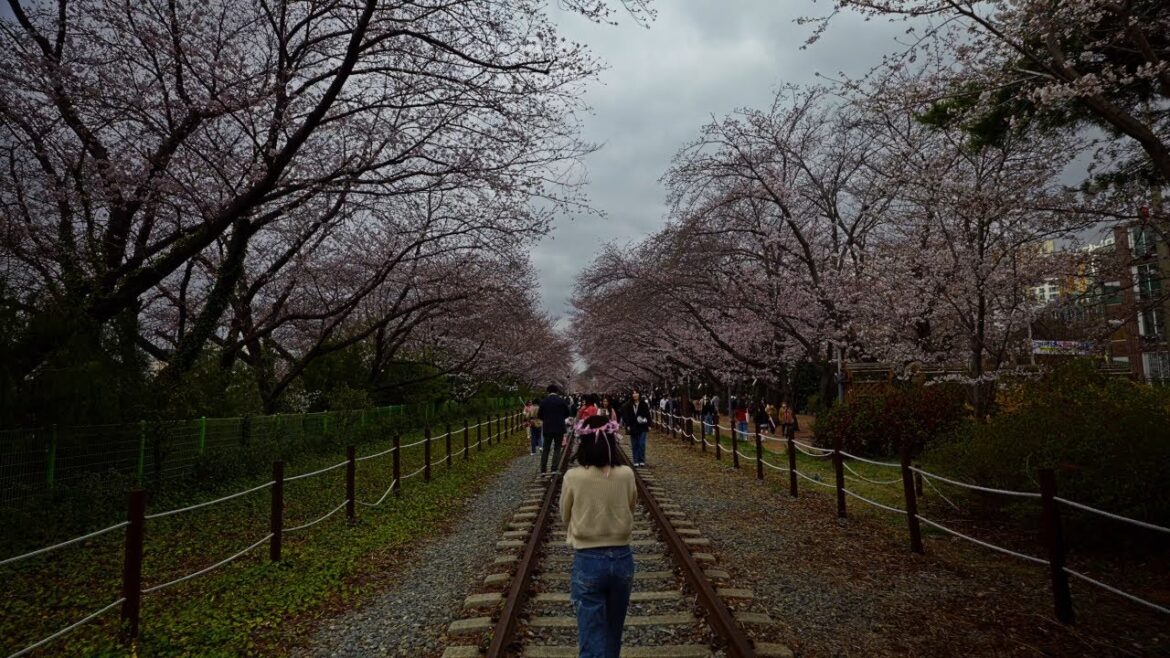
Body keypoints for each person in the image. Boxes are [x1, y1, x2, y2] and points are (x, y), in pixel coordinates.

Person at [560, 415, 636, 658]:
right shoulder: (626, 474)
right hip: (623, 557)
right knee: (614, 629)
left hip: (588, 558)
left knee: (591, 632)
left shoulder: (574, 477)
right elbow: (631, 506)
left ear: (583, 442)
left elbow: (565, 515)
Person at [538, 384, 571, 473]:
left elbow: (540, 415)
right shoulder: (561, 401)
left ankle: (543, 469)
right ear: (557, 391)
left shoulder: (543, 401)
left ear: (548, 391)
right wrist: (560, 418)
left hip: (547, 427)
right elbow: (568, 413)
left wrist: (546, 419)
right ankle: (554, 468)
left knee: (546, 448)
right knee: (557, 448)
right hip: (559, 427)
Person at [622, 389, 651, 467]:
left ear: (639, 394)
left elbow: (647, 414)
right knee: (635, 444)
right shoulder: (628, 405)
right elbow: (626, 415)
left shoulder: (643, 403)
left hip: (642, 426)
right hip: (633, 426)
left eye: (636, 393)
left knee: (641, 444)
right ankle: (636, 460)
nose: (635, 395)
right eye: (633, 393)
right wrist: (627, 425)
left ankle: (641, 460)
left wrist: (649, 424)